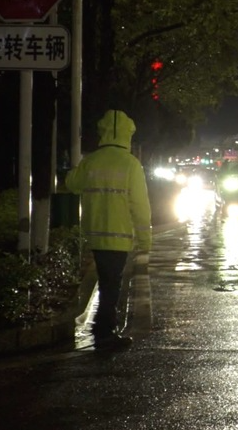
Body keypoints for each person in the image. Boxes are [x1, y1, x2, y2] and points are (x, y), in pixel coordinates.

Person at [66, 110, 152, 349]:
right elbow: (141, 206)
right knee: (111, 285)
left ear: (102, 133)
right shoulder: (131, 164)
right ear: (128, 134)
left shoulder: (91, 161)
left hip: (94, 236)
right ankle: (104, 334)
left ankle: (103, 330)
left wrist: (76, 166)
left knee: (107, 283)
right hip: (120, 237)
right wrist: (145, 240)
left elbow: (72, 184)